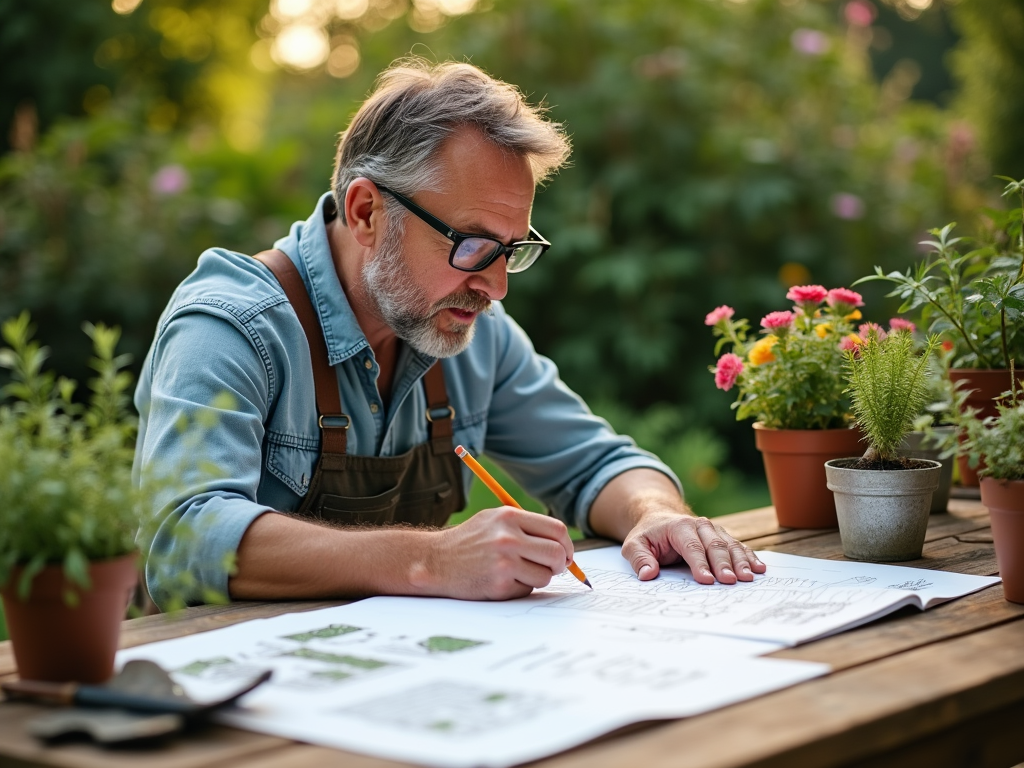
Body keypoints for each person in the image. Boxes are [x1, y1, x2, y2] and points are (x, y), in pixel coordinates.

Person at [134, 58, 765, 610]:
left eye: (511, 251)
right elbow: (182, 538)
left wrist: (655, 513)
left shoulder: (467, 332)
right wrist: (431, 561)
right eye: (471, 245)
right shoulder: (231, 327)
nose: (496, 288)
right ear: (366, 212)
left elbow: (600, 464)